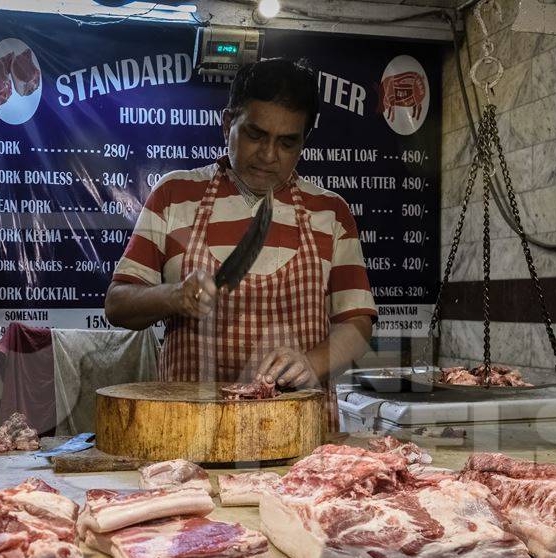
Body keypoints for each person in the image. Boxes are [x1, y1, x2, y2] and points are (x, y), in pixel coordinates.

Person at [104, 58, 376, 430]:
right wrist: (174, 296)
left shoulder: (330, 212)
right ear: (228, 123)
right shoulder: (173, 196)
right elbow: (117, 304)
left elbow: (357, 325)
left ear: (304, 141)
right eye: (255, 134)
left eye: (287, 142)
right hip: (189, 432)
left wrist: (311, 363)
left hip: (296, 435)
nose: (268, 155)